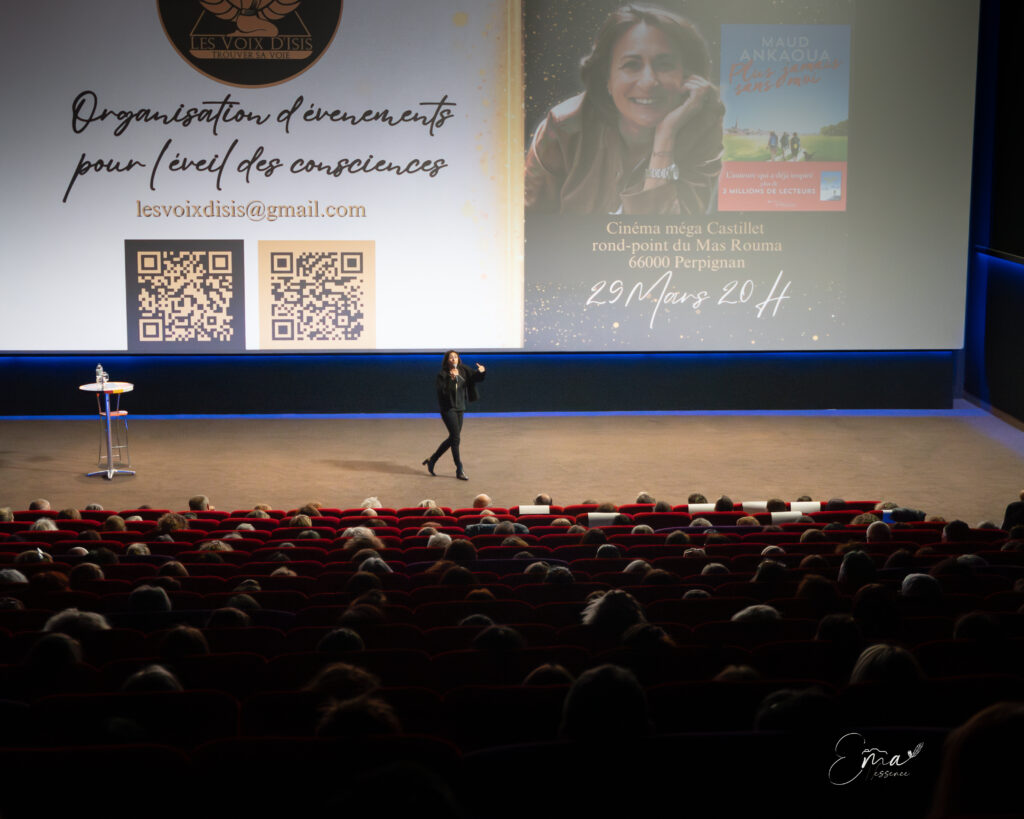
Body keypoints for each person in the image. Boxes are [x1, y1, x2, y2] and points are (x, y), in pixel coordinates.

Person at [524, 3, 724, 214]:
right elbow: (526, 231)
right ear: (606, 79)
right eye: (631, 65)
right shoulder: (564, 127)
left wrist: (666, 136)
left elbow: (666, 238)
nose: (649, 82)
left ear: (688, 76)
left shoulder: (703, 128)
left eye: (664, 65)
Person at [423, 350, 485, 480]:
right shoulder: (442, 375)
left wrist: (481, 371)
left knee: (453, 438)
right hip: (448, 409)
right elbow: (443, 393)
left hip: (460, 408)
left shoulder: (463, 370)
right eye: (451, 358)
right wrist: (451, 380)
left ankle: (432, 459)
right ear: (447, 361)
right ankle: (459, 469)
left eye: (455, 357)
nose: (453, 359)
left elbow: (474, 378)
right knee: (456, 439)